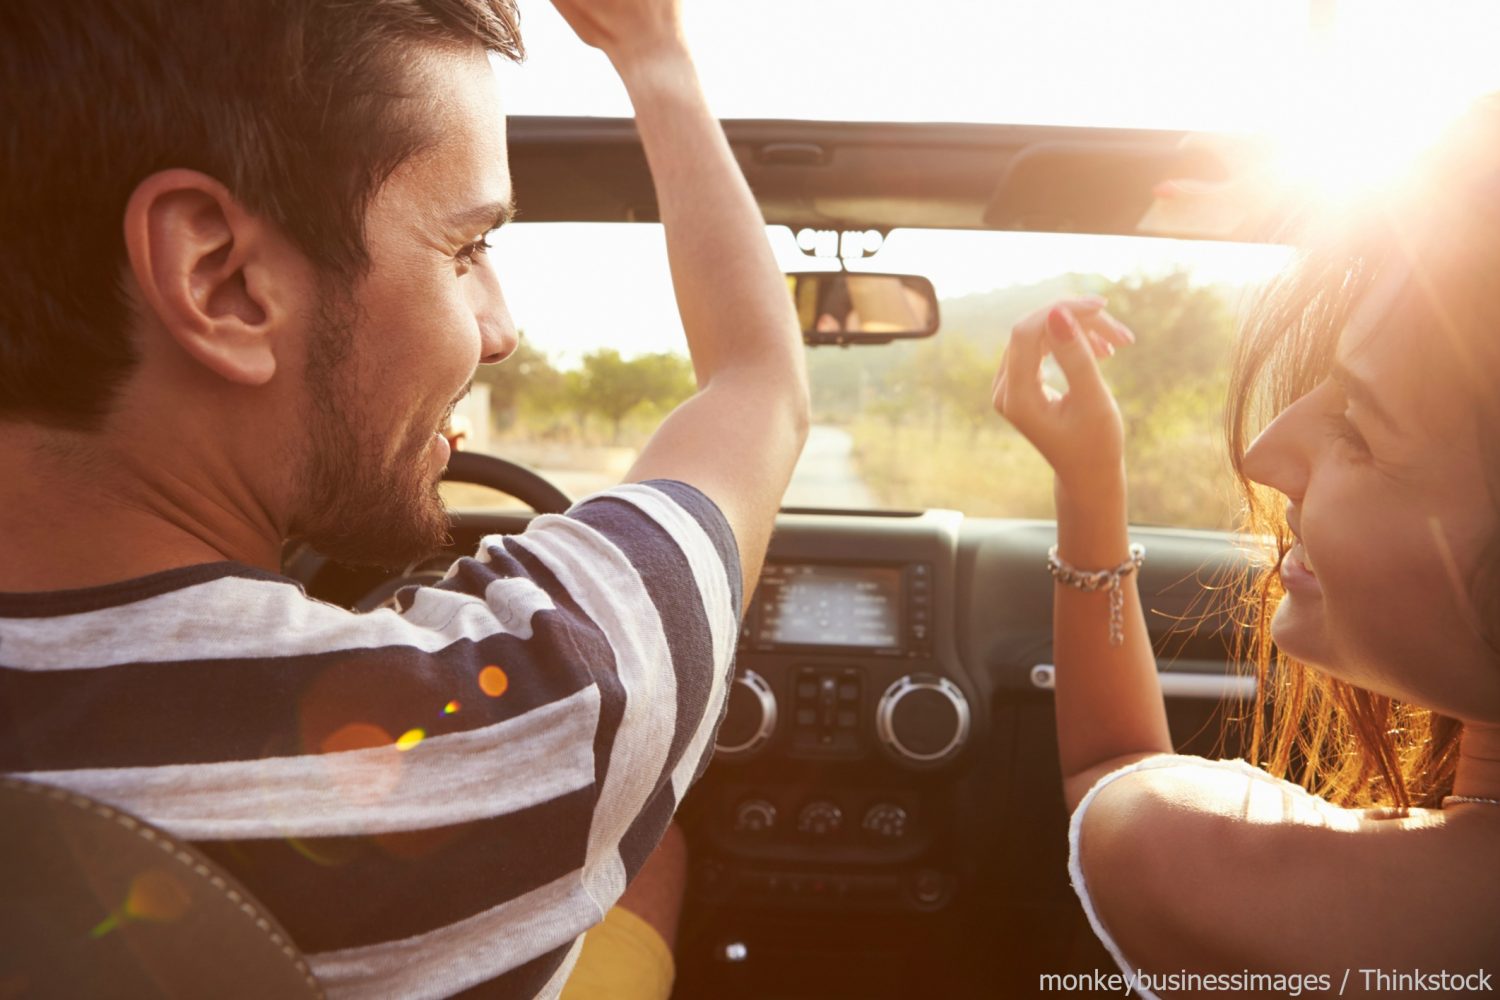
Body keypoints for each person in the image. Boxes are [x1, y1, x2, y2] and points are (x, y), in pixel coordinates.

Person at [0, 2, 808, 998]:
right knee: (659, 850)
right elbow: (759, 389)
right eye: (465, 250)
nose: (500, 328)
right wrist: (656, 54)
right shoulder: (518, 722)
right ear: (222, 280)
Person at [992, 97, 1499, 994]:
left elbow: (1117, 776)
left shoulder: (1246, 882)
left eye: (1363, 429)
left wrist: (1088, 481)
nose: (1266, 456)